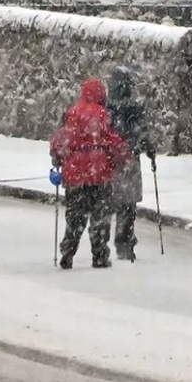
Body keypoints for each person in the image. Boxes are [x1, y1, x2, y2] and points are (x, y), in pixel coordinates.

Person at [50, 78, 131, 269]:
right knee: (100, 218)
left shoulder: (72, 114)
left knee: (75, 217)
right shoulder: (103, 115)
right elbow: (113, 141)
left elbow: (60, 141)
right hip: (99, 174)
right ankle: (100, 254)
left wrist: (57, 157)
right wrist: (123, 156)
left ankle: (68, 250)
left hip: (76, 176)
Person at [105, 66, 157, 262]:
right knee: (127, 204)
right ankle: (124, 242)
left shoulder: (106, 109)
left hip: (110, 161)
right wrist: (149, 150)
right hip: (130, 160)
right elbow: (142, 134)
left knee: (109, 201)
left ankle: (102, 241)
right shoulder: (134, 110)